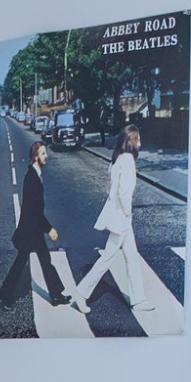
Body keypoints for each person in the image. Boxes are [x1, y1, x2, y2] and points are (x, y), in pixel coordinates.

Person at [72, 125, 146, 314]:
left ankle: (138, 300)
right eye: (137, 140)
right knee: (107, 258)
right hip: (122, 218)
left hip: (119, 216)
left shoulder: (117, 160)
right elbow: (123, 192)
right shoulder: (128, 160)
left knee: (131, 256)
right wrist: (128, 212)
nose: (140, 143)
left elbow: (109, 188)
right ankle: (81, 293)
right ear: (130, 142)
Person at [8, 138, 71, 306]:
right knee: (20, 264)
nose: (46, 156)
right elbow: (34, 210)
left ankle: (56, 295)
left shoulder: (35, 175)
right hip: (30, 231)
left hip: (34, 230)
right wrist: (49, 228)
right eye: (43, 153)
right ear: (35, 156)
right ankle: (4, 297)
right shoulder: (31, 178)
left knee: (45, 260)